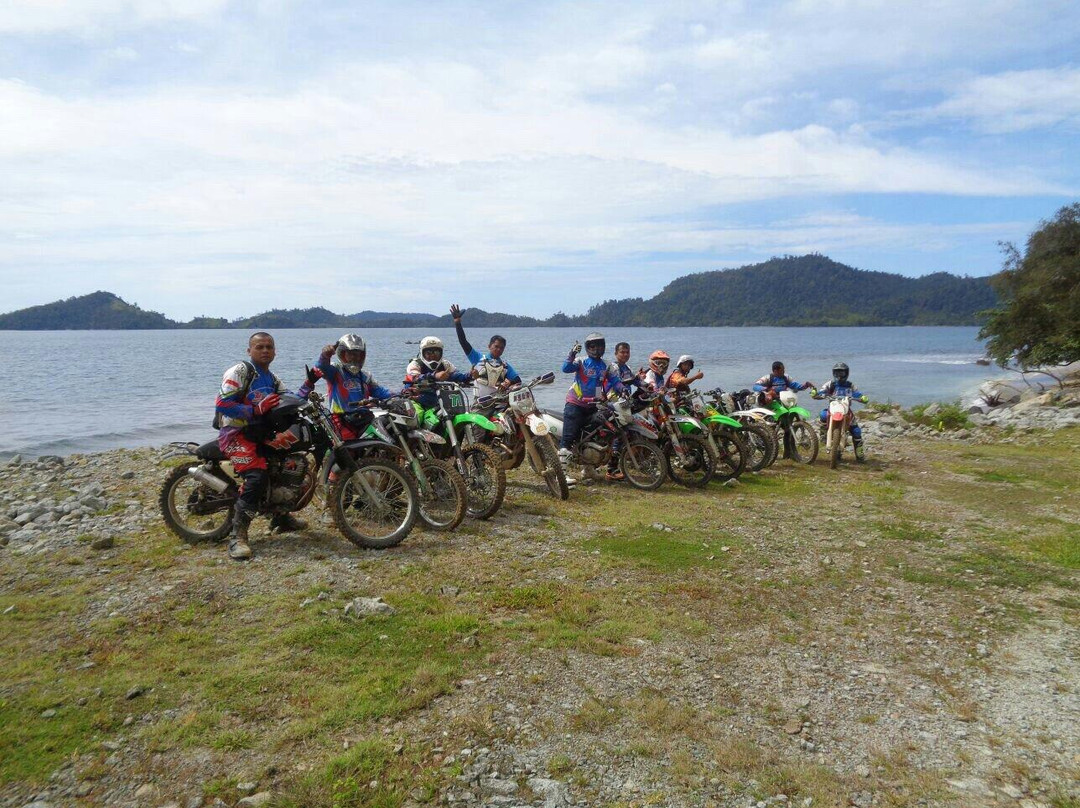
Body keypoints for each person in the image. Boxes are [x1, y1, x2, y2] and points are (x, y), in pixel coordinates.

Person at [214, 332, 303, 561]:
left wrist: (310, 386)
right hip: (235, 433)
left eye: (269, 347)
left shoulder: (271, 378)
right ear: (249, 350)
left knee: (288, 463)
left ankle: (280, 517)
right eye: (259, 346)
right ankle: (237, 536)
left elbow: (290, 397)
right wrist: (255, 410)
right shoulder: (240, 372)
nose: (265, 350)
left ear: (275, 351)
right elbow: (222, 403)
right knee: (257, 477)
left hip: (259, 433)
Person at [560, 332, 624, 482]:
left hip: (593, 405)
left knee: (593, 437)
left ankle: (588, 470)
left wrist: (623, 390)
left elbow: (615, 381)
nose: (596, 349)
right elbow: (565, 368)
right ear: (587, 347)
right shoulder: (581, 361)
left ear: (604, 346)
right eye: (592, 346)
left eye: (599, 345)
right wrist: (572, 353)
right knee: (568, 438)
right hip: (575, 404)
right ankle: (561, 475)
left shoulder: (606, 365)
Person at [315, 334, 396, 439]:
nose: (354, 357)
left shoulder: (365, 376)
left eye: (357, 354)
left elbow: (381, 392)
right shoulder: (336, 371)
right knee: (349, 446)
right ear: (342, 354)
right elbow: (321, 368)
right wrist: (325, 355)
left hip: (364, 417)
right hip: (341, 420)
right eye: (350, 354)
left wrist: (401, 394)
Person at [450, 304, 522, 398]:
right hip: (480, 402)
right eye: (496, 346)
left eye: (501, 348)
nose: (498, 349)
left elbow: (518, 380)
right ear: (489, 346)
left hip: (498, 402)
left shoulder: (505, 366)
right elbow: (463, 342)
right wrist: (457, 322)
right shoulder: (477, 358)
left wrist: (509, 382)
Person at [812, 362, 869, 461]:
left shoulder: (850, 385)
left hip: (846, 410)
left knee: (856, 431)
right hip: (833, 408)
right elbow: (822, 391)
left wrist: (862, 397)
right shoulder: (830, 384)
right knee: (823, 414)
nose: (839, 375)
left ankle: (859, 454)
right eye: (837, 373)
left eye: (842, 373)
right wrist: (816, 393)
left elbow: (857, 394)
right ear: (833, 373)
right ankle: (824, 433)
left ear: (846, 373)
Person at [605, 342, 645, 481]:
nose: (625, 354)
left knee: (625, 433)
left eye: (627, 352)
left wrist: (648, 386)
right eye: (622, 352)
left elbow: (636, 381)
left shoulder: (627, 368)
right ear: (616, 353)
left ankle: (616, 466)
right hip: (613, 404)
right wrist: (634, 380)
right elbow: (619, 383)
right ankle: (611, 469)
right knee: (619, 434)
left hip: (624, 404)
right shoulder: (614, 367)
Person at [404, 336, 472, 410]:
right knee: (418, 413)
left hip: (440, 400)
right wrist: (434, 375)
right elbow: (415, 377)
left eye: (436, 352)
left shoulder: (445, 364)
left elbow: (455, 375)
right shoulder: (415, 364)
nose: (433, 355)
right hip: (416, 400)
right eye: (428, 353)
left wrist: (469, 376)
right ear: (422, 352)